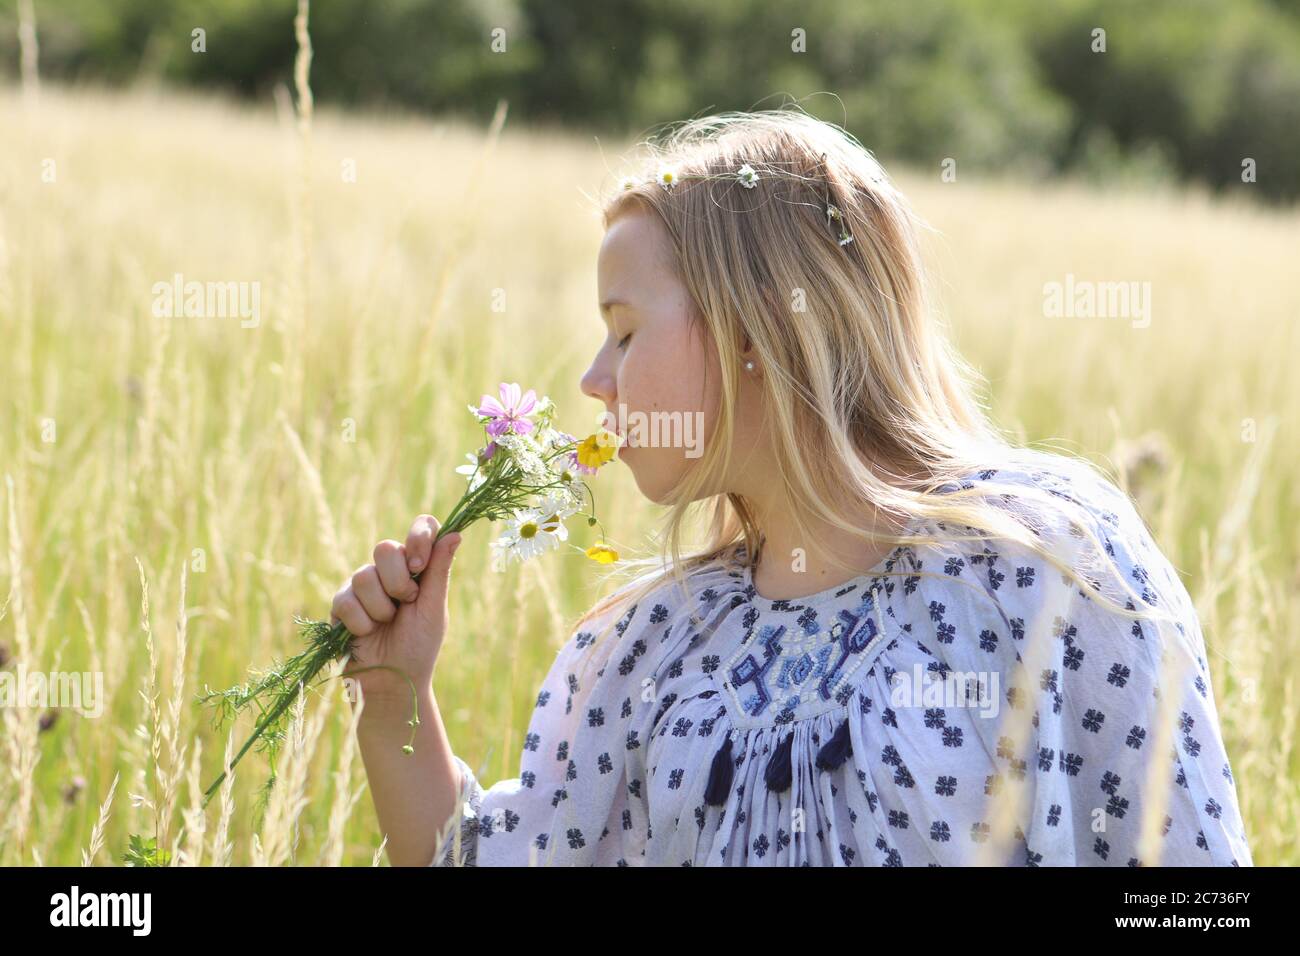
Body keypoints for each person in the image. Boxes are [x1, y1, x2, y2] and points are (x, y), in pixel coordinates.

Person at [335, 109, 1252, 867]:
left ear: (755, 328)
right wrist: (394, 699)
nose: (592, 379)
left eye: (623, 332)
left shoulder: (1045, 563)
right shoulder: (649, 645)